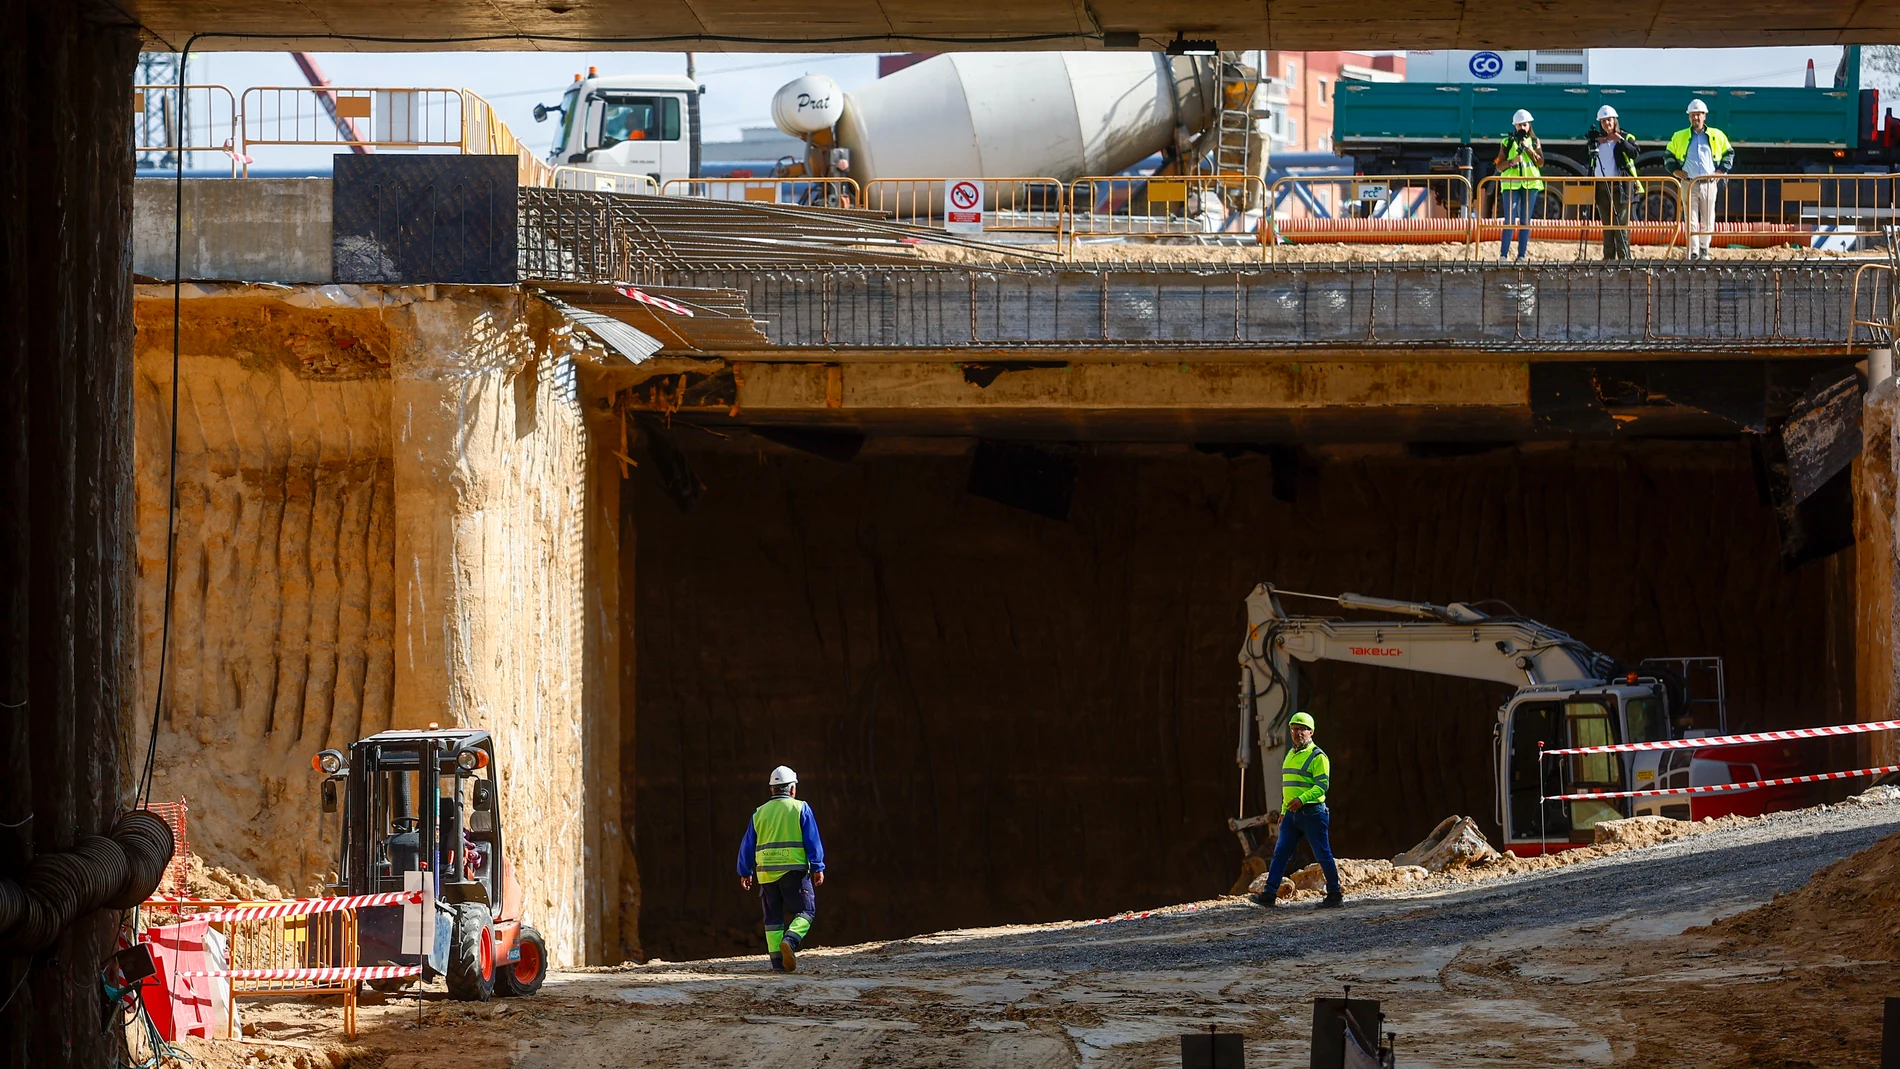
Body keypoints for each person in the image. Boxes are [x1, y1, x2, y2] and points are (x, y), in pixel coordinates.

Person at [736, 765, 826, 971]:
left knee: (773, 919)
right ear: (792, 789)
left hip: (766, 874)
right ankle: (791, 941)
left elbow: (747, 844)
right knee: (806, 910)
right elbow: (812, 840)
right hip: (794, 871)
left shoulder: (759, 813)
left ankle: (777, 963)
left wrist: (745, 871)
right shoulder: (800, 808)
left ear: (772, 790)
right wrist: (818, 866)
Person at [1249, 712, 1343, 909]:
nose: (1298, 732)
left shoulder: (1318, 756)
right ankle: (1269, 894)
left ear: (1311, 732)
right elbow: (1288, 787)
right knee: (1280, 853)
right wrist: (1284, 810)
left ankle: (1334, 894)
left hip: (1312, 813)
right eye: (1294, 729)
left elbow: (1321, 786)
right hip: (1292, 815)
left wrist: (1302, 799)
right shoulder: (1290, 755)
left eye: (1302, 729)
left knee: (1322, 854)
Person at [1666, 99, 1734, 260]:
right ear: (1689, 117)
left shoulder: (1717, 135)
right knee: (1691, 219)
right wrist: (1674, 170)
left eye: (1698, 115)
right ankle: (1693, 251)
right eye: (1692, 115)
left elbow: (1729, 153)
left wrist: (1720, 171)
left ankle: (1704, 249)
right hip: (1689, 183)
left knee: (1708, 219)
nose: (1695, 118)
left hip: (1709, 184)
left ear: (1704, 116)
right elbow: (1668, 155)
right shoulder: (1679, 136)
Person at [1584, 105, 1642, 260]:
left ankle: (1624, 259)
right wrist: (1595, 141)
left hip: (1619, 186)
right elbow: (1589, 154)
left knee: (1620, 224)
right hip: (1601, 186)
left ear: (1614, 120)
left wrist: (1620, 140)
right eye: (1603, 122)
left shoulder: (1626, 136)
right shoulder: (1597, 140)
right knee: (1607, 225)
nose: (1606, 124)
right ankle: (1608, 258)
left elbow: (1635, 152)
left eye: (1608, 120)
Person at [1493, 108, 1545, 262]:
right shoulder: (1507, 142)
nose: (1522, 128)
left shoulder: (1534, 142)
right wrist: (1512, 162)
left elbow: (1540, 162)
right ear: (1515, 126)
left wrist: (1528, 148)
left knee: (1525, 220)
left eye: (1525, 125)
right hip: (1511, 185)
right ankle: (1503, 255)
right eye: (1519, 125)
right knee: (1509, 219)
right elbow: (1498, 166)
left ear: (1529, 126)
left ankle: (1521, 256)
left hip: (1531, 184)